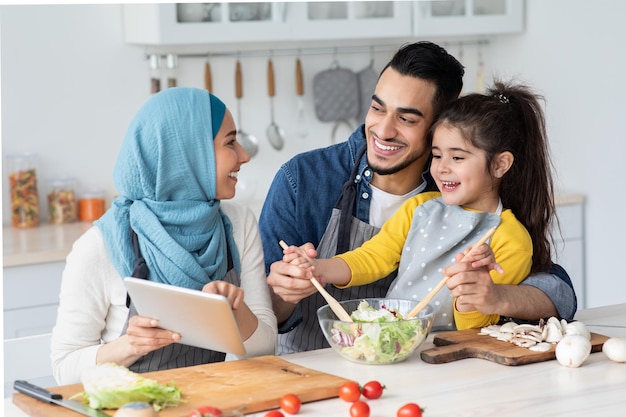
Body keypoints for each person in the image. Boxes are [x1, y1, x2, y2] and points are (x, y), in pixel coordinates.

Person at [259, 41, 577, 354]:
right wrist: (301, 280)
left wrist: (490, 294)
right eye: (377, 108)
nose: (383, 131)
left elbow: (556, 290)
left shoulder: (467, 197)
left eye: (407, 119)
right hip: (311, 364)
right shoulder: (303, 178)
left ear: (437, 127)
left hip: (428, 364)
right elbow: (259, 314)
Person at [284, 80, 555, 331]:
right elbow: (374, 256)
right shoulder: (420, 208)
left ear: (500, 164)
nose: (442, 168)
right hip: (395, 339)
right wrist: (319, 269)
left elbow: (475, 329)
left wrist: (473, 293)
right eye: (436, 155)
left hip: (450, 356)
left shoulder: (511, 240)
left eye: (457, 158)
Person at [51, 87, 277, 384]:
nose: (244, 156)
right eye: (231, 142)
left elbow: (266, 348)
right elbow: (63, 368)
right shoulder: (99, 247)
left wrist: (235, 312)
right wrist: (128, 347)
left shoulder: (238, 223)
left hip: (215, 402)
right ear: (186, 153)